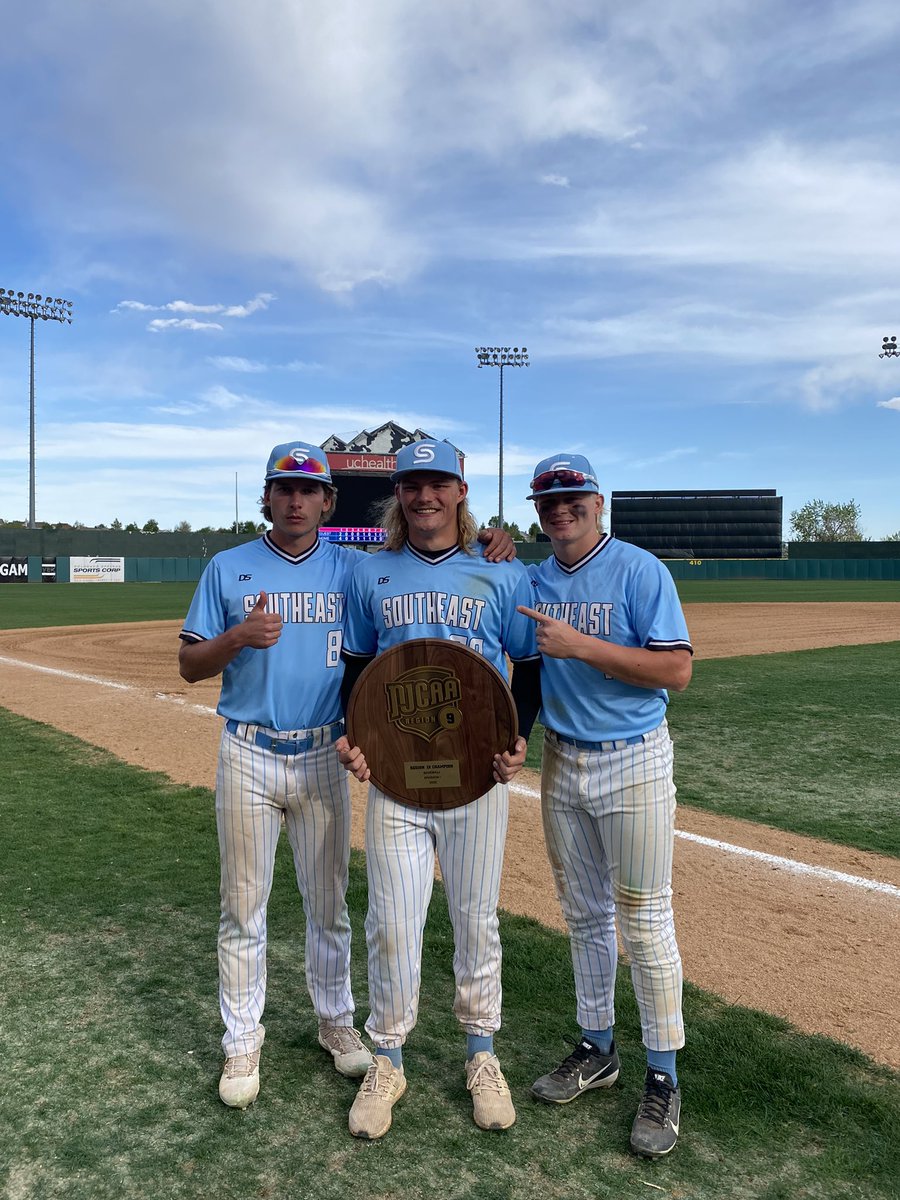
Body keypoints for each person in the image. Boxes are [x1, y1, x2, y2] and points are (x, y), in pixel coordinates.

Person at [335, 438, 541, 1140]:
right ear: (400, 493)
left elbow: (531, 667)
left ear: (460, 490)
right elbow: (358, 671)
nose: (425, 496)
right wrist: (353, 739)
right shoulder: (370, 573)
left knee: (475, 919)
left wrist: (520, 743)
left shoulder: (502, 572)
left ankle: (481, 1055)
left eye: (438, 484)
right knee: (392, 922)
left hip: (475, 777)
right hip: (395, 776)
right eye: (413, 485)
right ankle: (387, 1059)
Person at [178, 441, 374, 1108]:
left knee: (329, 905)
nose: (296, 499)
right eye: (283, 488)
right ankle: (241, 1043)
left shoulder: (351, 568)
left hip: (323, 755)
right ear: (267, 497)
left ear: (327, 501)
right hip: (249, 752)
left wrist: (487, 542)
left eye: (308, 489)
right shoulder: (227, 569)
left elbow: (415, 568)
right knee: (242, 906)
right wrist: (237, 638)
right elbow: (189, 666)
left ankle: (336, 1023)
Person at [517, 453, 693, 1159]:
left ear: (597, 502)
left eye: (572, 496)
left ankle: (663, 1074)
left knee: (645, 918)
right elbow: (527, 671)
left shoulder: (640, 570)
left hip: (634, 760)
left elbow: (676, 669)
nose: (560, 508)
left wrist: (582, 645)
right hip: (562, 760)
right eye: (548, 500)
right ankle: (597, 1047)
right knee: (584, 915)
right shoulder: (531, 578)